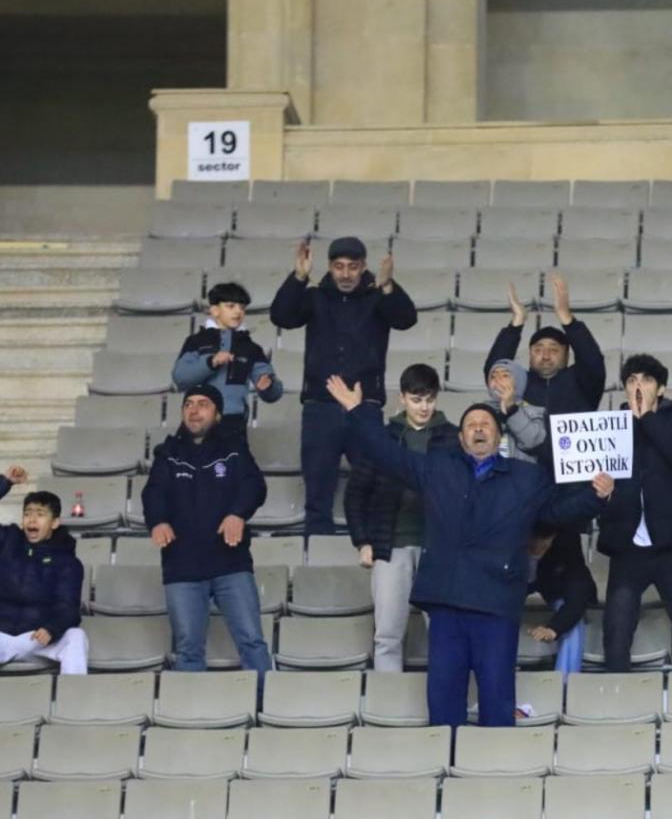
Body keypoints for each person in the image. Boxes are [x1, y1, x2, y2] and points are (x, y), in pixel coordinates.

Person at [325, 374, 613, 727]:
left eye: (485, 424)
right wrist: (357, 411)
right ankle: (446, 761)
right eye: (471, 425)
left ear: (499, 436)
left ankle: (493, 764)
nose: (478, 429)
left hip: (496, 605)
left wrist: (596, 496)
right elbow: (387, 455)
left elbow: (557, 512)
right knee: (443, 702)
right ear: (461, 438)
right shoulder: (438, 468)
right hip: (447, 604)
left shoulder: (526, 478)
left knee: (497, 701)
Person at [270, 236, 417, 533]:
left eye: (353, 266)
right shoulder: (315, 296)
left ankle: (370, 550)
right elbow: (281, 316)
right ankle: (317, 554)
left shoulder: (378, 296)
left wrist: (388, 286)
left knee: (374, 490)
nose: (346, 274)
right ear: (329, 267)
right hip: (320, 408)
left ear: (363, 267)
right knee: (317, 496)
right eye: (339, 267)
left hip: (365, 407)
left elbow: (406, 319)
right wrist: (298, 277)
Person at [141, 384, 274, 676]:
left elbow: (254, 485)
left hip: (231, 562)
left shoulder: (234, 448)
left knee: (252, 642)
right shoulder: (168, 452)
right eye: (188, 404)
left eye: (203, 404)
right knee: (188, 649)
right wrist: (158, 521)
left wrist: (237, 514)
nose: (194, 410)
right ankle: (191, 706)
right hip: (182, 565)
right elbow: (153, 492)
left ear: (218, 414)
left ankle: (265, 699)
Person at [597, 354, 672, 672]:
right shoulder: (610, 427)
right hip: (627, 545)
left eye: (646, 380)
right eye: (631, 380)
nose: (638, 386)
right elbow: (594, 479)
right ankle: (616, 699)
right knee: (616, 632)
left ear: (661, 389)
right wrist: (604, 494)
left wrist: (647, 417)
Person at [344, 363, 459, 672]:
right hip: (390, 545)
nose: (424, 407)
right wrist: (362, 541)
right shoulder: (383, 438)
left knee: (445, 634)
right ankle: (387, 699)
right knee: (387, 635)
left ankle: (444, 696)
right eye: (417, 399)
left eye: (430, 399)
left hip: (440, 548)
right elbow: (355, 494)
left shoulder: (453, 438)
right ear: (402, 398)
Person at [0, 467, 87, 677]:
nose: (32, 520)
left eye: (40, 515)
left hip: (38, 639)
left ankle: (73, 697)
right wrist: (4, 482)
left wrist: (52, 629)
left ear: (54, 523)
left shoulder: (67, 561)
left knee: (76, 637)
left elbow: (68, 606)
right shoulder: (7, 541)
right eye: (27, 514)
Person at [484, 276, 606, 464]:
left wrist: (567, 318)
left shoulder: (581, 382)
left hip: (575, 474)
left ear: (567, 355)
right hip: (528, 472)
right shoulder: (520, 383)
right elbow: (496, 369)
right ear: (530, 354)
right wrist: (517, 322)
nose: (546, 355)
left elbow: (593, 360)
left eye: (554, 350)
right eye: (538, 350)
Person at [170, 281, 281, 438]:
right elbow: (180, 377)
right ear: (214, 310)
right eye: (231, 306)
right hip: (198, 421)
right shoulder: (195, 342)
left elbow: (272, 392)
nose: (238, 312)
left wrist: (268, 386)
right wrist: (211, 362)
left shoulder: (251, 348)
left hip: (234, 422)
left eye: (242, 308)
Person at [522, 523, 600, 674]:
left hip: (560, 591)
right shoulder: (513, 544)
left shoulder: (566, 548)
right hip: (522, 587)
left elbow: (577, 598)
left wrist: (554, 629)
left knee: (573, 626)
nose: (538, 545)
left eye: (544, 541)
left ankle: (565, 681)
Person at [486, 357, 548, 461]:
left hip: (523, 469)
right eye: (493, 376)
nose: (497, 379)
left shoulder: (535, 411)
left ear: (519, 381)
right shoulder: (480, 411)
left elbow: (533, 441)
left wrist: (511, 409)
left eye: (505, 375)